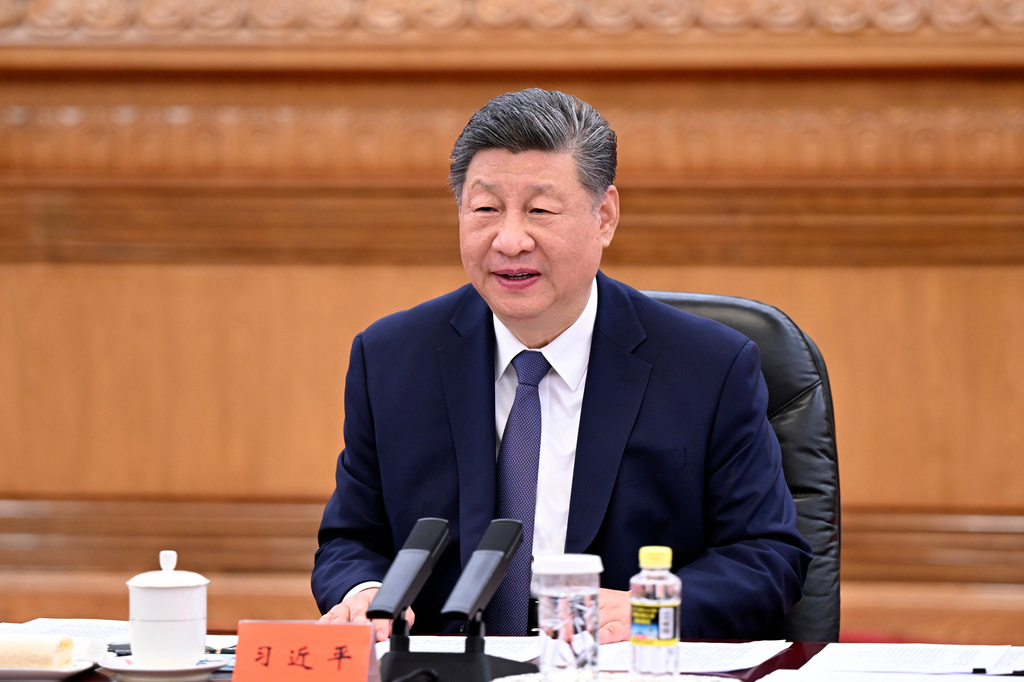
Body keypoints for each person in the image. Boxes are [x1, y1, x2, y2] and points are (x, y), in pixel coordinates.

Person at [312, 88, 811, 643]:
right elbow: (351, 539)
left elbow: (767, 558)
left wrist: (647, 607)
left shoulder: (709, 366)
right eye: (485, 210)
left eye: (540, 211)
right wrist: (362, 593)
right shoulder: (391, 357)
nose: (509, 239)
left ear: (604, 217)